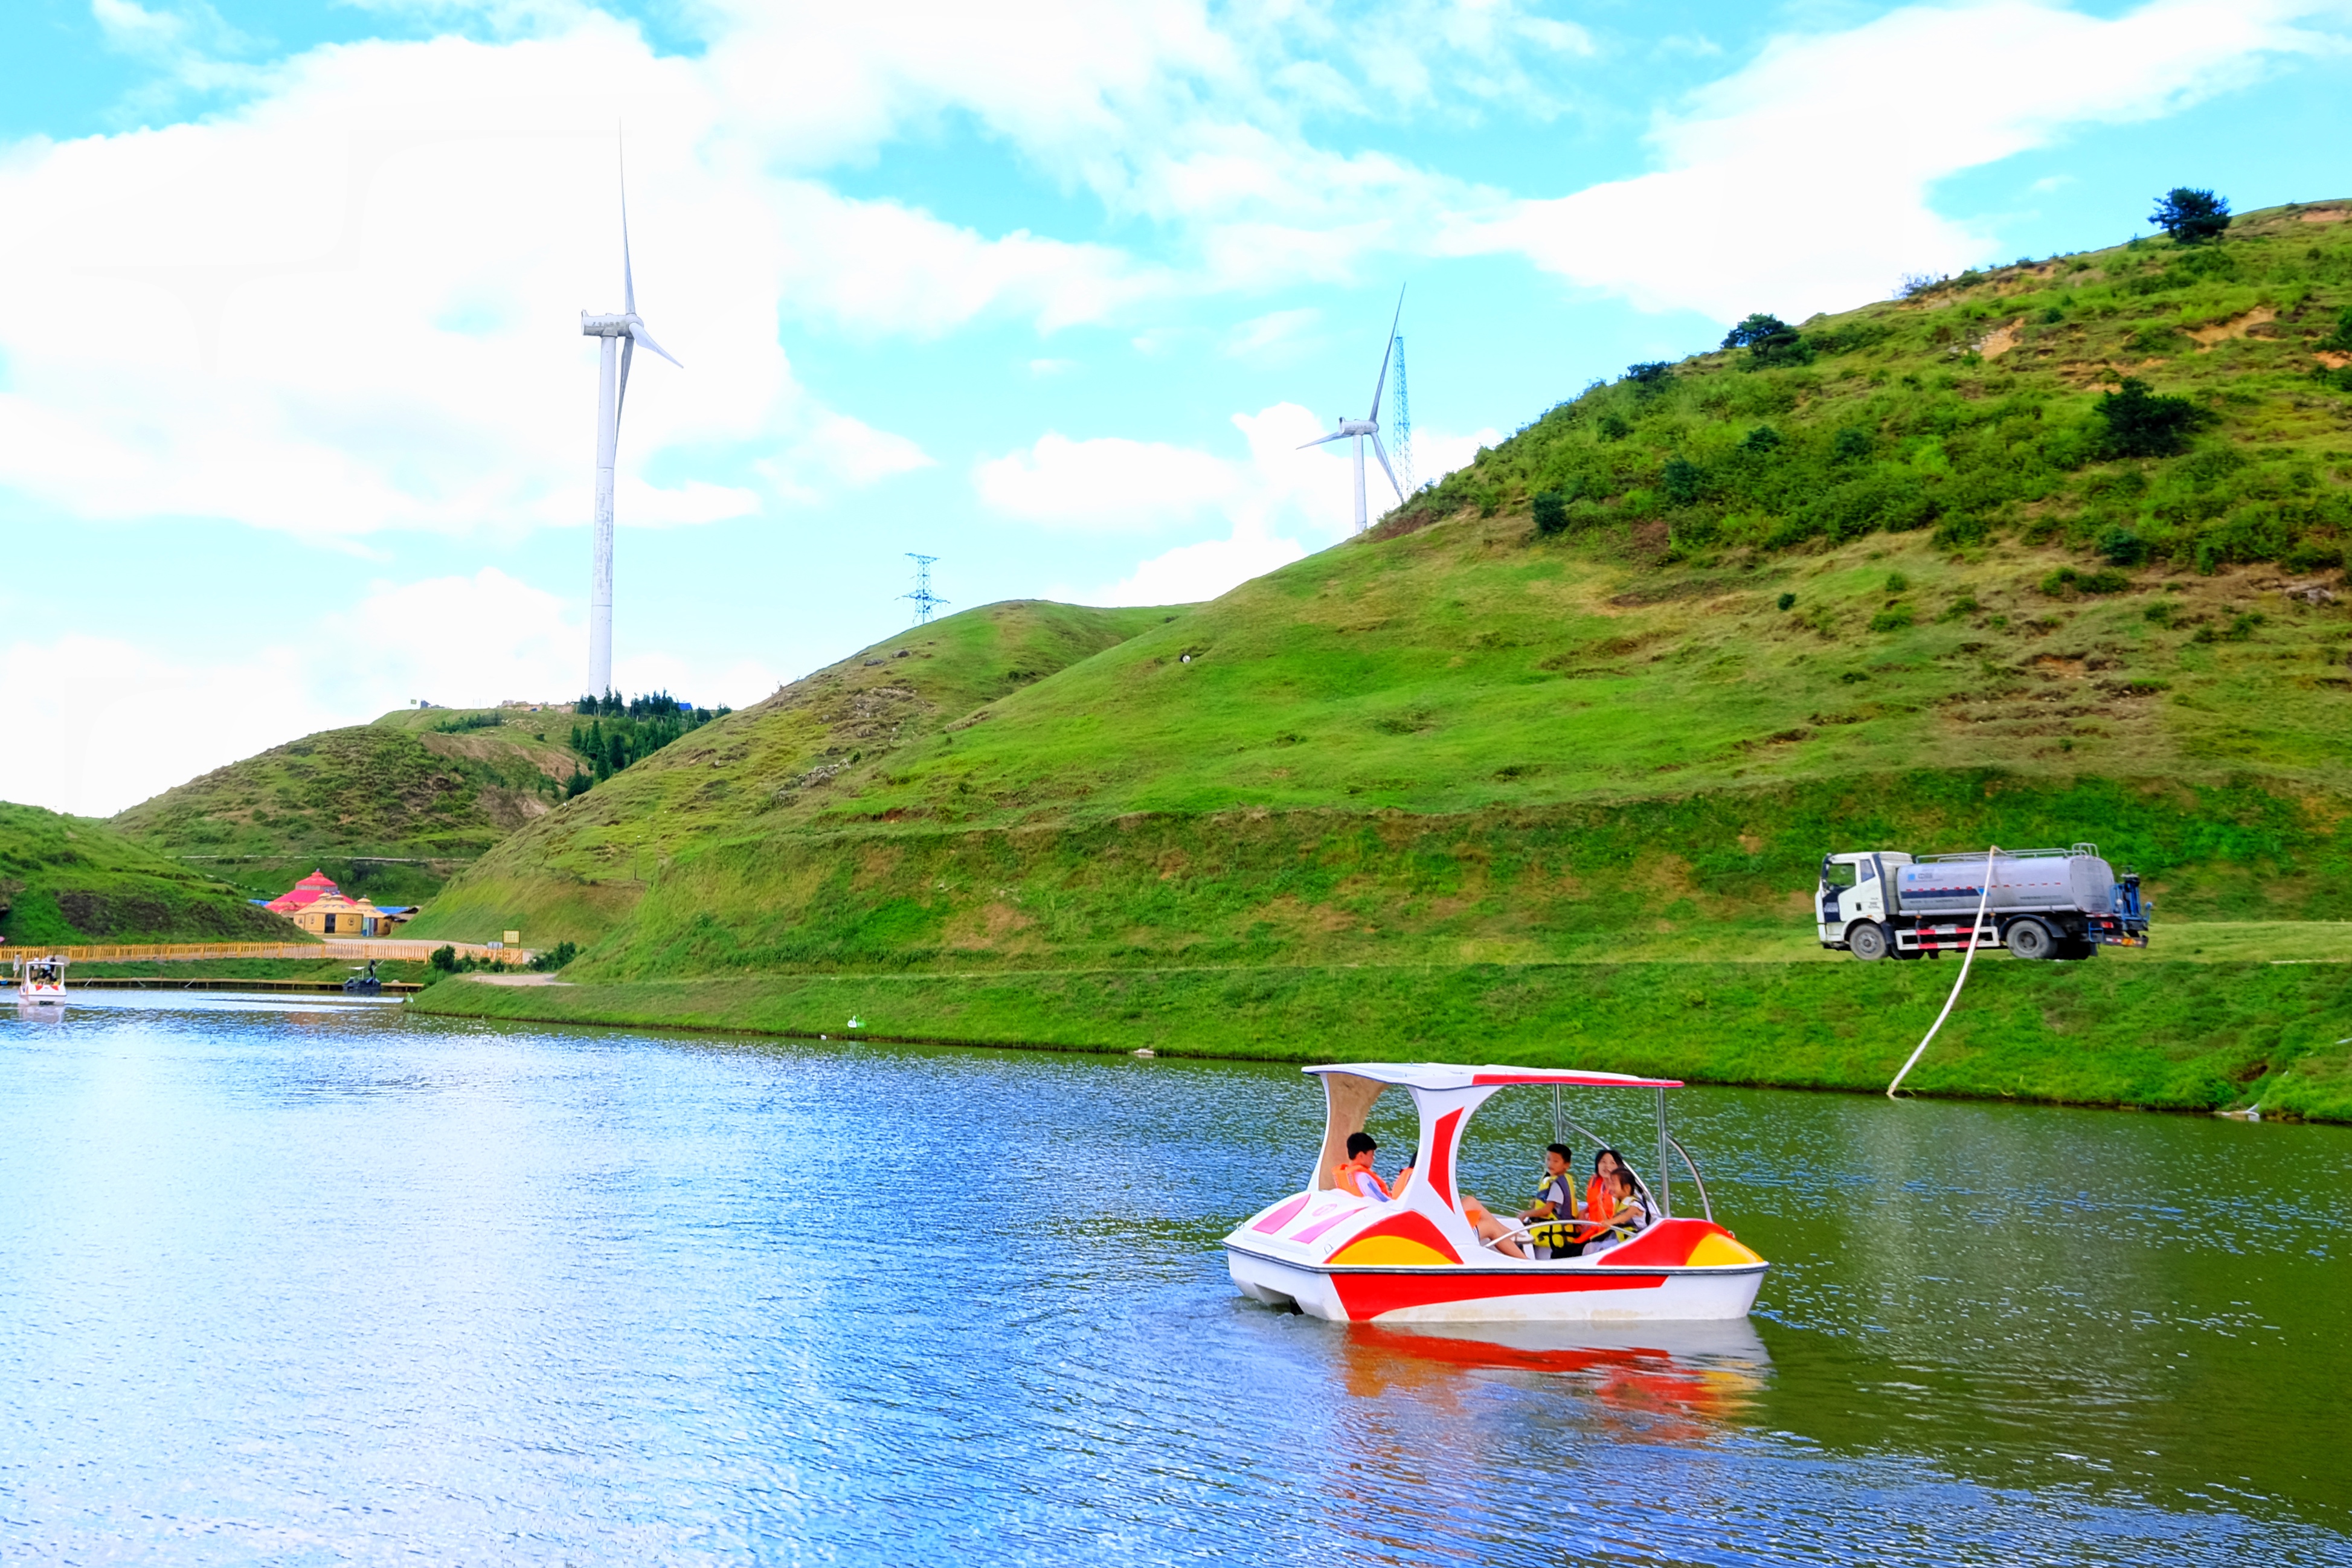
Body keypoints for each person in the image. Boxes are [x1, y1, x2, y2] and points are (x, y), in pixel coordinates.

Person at [1582, 1165, 1656, 1255]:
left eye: (1613, 1184)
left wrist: (1611, 1222)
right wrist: (1601, 1206)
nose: (1610, 1188)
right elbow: (1608, 1223)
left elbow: (1625, 1217)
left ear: (1627, 1188)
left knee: (1602, 1249)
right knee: (1589, 1247)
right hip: (1620, 1239)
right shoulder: (1620, 1202)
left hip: (1632, 1242)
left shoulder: (1635, 1205)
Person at [1332, 1132, 1390, 1200]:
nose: (1373, 1159)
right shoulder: (1363, 1177)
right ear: (1361, 1155)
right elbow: (1381, 1201)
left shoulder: (1345, 1176)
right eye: (1372, 1155)